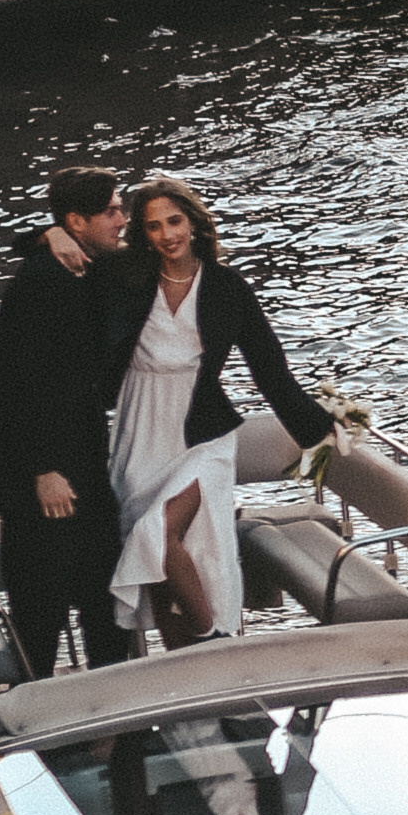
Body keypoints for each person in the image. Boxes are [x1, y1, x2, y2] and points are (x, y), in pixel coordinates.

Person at [103, 177, 336, 649]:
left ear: (193, 222)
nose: (168, 234)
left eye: (175, 221)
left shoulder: (227, 288)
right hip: (138, 438)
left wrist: (324, 429)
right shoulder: (124, 279)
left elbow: (271, 372)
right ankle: (191, 696)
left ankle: (215, 639)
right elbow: (63, 260)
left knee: (158, 535)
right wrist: (50, 236)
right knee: (165, 568)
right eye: (153, 226)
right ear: (142, 234)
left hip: (203, 438)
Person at [0, 161, 139, 680]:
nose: (122, 219)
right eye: (111, 211)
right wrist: (43, 470)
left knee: (101, 598)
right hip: (41, 474)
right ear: (77, 220)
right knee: (41, 610)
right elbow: (17, 381)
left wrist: (46, 234)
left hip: (84, 456)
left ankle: (113, 720)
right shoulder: (42, 282)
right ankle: (35, 732)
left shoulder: (89, 262)